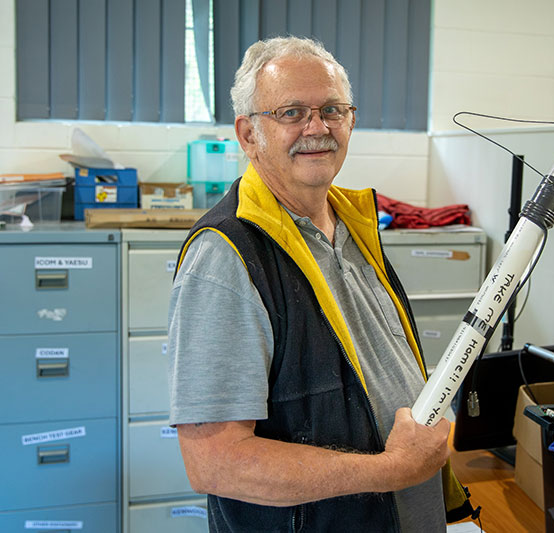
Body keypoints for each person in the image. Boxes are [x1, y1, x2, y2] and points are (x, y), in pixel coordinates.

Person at [167, 36, 473, 532]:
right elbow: (215, 462)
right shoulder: (226, 257)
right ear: (248, 134)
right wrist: (392, 469)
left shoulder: (355, 225)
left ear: (351, 121)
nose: (317, 128)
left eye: (332, 110)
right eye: (291, 112)